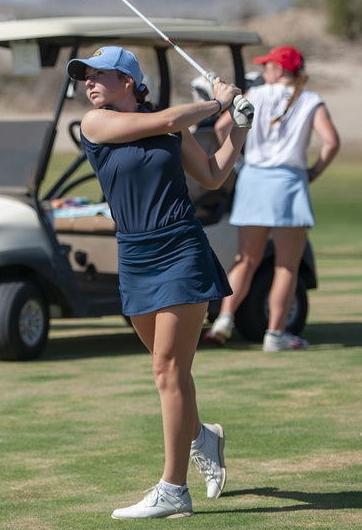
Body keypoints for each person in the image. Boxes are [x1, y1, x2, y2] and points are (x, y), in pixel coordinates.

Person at [66, 46, 250, 519]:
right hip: (135, 255)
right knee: (172, 370)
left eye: (99, 75)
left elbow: (211, 175)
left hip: (181, 249)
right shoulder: (96, 123)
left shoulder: (171, 128)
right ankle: (201, 437)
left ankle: (174, 490)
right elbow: (166, 120)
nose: (89, 83)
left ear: (128, 81)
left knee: (166, 370)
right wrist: (218, 103)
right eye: (85, 77)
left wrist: (241, 129)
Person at [206, 45, 340, 352]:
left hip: (253, 181)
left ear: (279, 70)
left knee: (246, 260)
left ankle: (224, 320)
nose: (264, 71)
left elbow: (221, 126)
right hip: (288, 183)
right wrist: (314, 173)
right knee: (286, 266)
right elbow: (331, 143)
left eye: (268, 66)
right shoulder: (310, 101)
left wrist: (237, 160)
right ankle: (275, 334)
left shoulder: (257, 95)